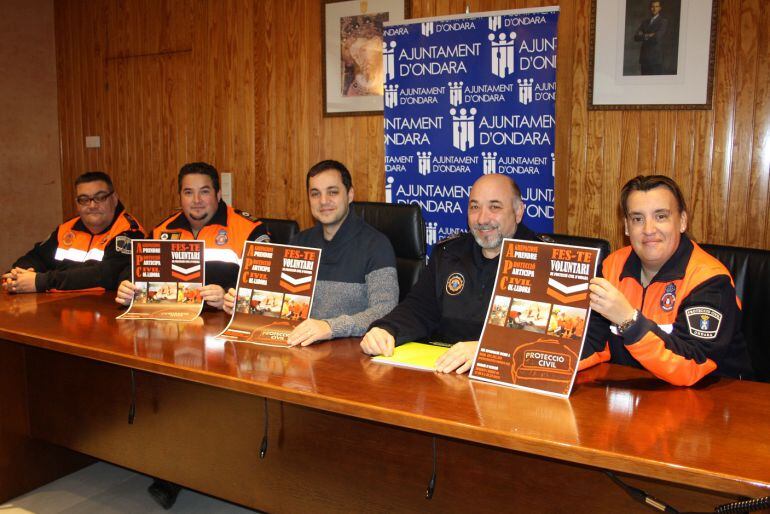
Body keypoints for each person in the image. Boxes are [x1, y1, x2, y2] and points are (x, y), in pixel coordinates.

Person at [361, 173, 545, 374]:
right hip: (445, 376)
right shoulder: (449, 253)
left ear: (518, 212)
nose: (482, 219)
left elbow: (556, 340)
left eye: (495, 207)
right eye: (474, 207)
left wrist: (489, 350)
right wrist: (386, 329)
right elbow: (419, 309)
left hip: (511, 385)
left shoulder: (546, 261)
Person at [580, 175, 753, 386]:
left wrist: (629, 321)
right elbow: (592, 342)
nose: (649, 230)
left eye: (660, 216)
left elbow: (691, 365)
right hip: (634, 396)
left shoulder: (709, 280)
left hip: (711, 401)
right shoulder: (612, 266)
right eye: (637, 219)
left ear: (682, 222)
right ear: (626, 227)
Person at [223, 160, 399, 346]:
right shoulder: (300, 242)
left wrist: (330, 327)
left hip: (352, 355)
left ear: (350, 194)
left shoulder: (377, 245)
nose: (323, 201)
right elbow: (277, 306)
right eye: (315, 194)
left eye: (332, 192)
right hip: (299, 351)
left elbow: (385, 310)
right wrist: (244, 304)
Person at [115, 162, 269, 312]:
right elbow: (132, 269)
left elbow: (267, 286)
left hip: (222, 322)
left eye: (204, 191)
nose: (196, 200)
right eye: (188, 192)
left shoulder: (250, 229)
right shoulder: (161, 231)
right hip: (171, 322)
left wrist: (229, 296)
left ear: (218, 194)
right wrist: (128, 288)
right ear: (180, 197)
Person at [2, 171, 144, 293]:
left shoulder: (129, 233)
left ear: (114, 199)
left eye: (100, 198)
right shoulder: (67, 229)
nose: (92, 205)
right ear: (77, 204)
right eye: (84, 200)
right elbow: (36, 258)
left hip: (103, 313)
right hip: (59, 312)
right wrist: (16, 277)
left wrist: (41, 281)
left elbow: (104, 275)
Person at [634, 0, 668, 75]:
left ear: (660, 8)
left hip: (655, 59)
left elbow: (657, 37)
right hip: (644, 58)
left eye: (656, 6)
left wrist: (643, 35)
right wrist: (649, 35)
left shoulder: (663, 21)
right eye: (652, 7)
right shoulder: (645, 22)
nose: (654, 8)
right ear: (650, 8)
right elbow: (636, 37)